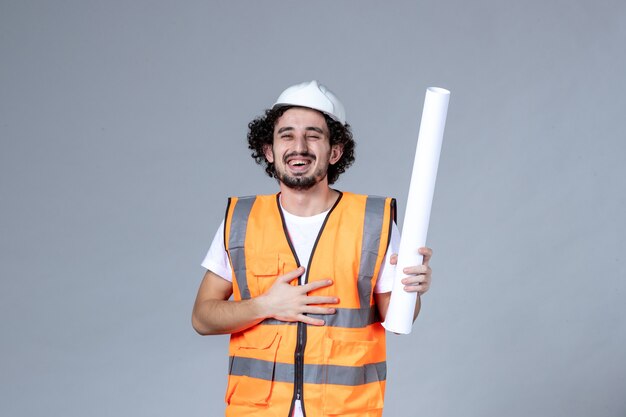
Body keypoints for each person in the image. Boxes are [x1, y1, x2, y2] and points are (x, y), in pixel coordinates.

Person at [192, 80, 432, 417]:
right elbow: (202, 318)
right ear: (269, 151)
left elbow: (398, 319)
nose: (299, 146)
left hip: (345, 410)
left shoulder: (372, 222)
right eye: (286, 135)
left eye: (314, 135)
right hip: (256, 410)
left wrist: (412, 290)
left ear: (335, 151)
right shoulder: (242, 221)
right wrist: (265, 305)